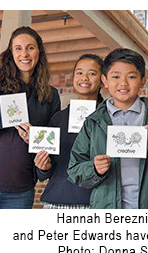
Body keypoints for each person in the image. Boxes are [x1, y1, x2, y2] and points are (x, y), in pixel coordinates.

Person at [67, 48, 148, 209]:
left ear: (142, 81)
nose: (123, 83)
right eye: (115, 76)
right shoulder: (94, 121)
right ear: (104, 80)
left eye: (131, 77)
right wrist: (94, 169)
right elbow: (74, 169)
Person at [0, 26, 61, 209]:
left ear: (39, 51)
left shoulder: (50, 95)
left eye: (30, 47)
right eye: (18, 48)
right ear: (11, 52)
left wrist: (36, 138)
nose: (24, 53)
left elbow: (50, 144)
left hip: (20, 190)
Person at [34, 54, 104, 209]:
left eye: (92, 73)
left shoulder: (110, 119)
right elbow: (44, 172)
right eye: (79, 73)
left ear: (103, 80)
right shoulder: (58, 119)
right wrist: (43, 167)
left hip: (96, 203)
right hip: (56, 202)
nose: (84, 78)